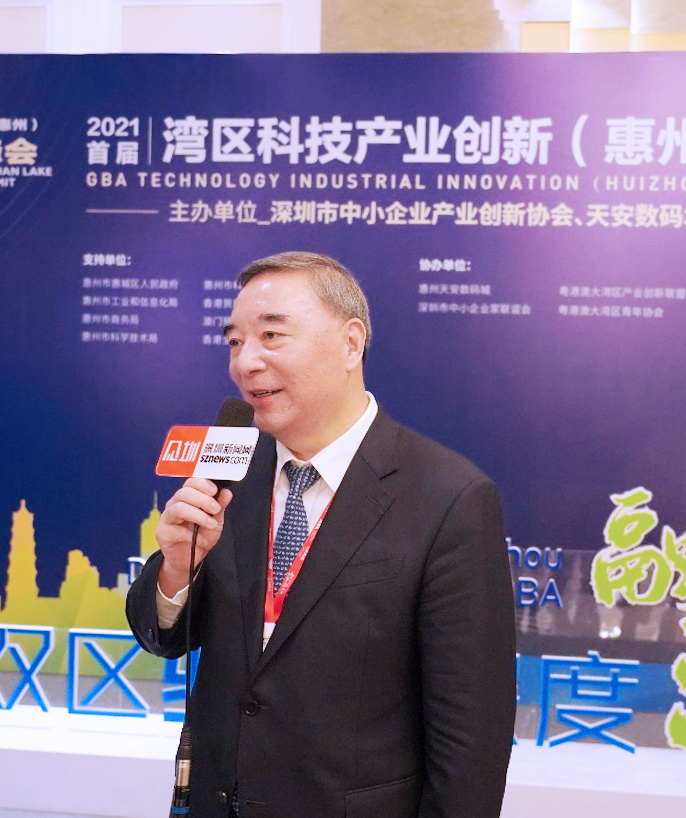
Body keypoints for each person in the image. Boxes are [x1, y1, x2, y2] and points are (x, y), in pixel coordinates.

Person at [126, 251, 517, 818]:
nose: (246, 362)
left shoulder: (449, 497)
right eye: (234, 341)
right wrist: (174, 570)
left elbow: (471, 740)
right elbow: (163, 637)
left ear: (351, 343)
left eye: (272, 336)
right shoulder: (229, 470)